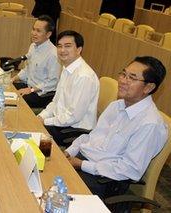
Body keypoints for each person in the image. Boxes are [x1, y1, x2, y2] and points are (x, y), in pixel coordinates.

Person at [65, 56, 168, 199]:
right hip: (82, 161)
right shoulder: (117, 105)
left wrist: (81, 165)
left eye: (132, 78)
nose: (123, 81)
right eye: (123, 74)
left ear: (149, 87)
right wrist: (69, 152)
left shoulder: (150, 124)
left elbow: (129, 169)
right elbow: (91, 137)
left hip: (104, 179)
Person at [38, 30, 99, 147]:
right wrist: (41, 116)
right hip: (62, 122)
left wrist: (45, 121)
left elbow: (73, 116)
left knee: (36, 134)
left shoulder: (83, 76)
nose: (62, 50)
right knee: (32, 124)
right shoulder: (67, 69)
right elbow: (56, 102)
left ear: (79, 49)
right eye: (59, 46)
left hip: (77, 130)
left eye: (68, 46)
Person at [12, 15, 61, 109]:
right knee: (8, 87)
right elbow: (27, 69)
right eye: (33, 29)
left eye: (38, 31)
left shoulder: (53, 54)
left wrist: (31, 90)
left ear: (48, 34)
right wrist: (14, 78)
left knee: (17, 101)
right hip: (29, 86)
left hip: (42, 94)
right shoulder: (33, 46)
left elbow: (52, 82)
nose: (34, 33)